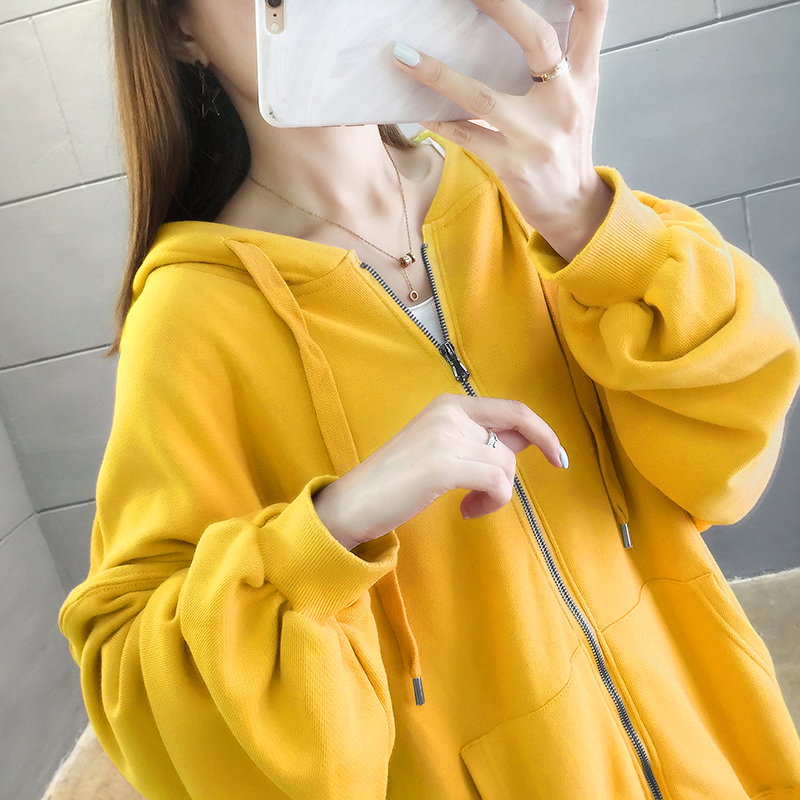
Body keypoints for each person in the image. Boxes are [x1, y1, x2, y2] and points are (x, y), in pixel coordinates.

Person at [59, 0, 800, 797]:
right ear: (181, 31)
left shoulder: (516, 184)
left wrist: (588, 220)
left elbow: (729, 438)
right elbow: (140, 686)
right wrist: (334, 525)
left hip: (704, 735)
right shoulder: (191, 318)